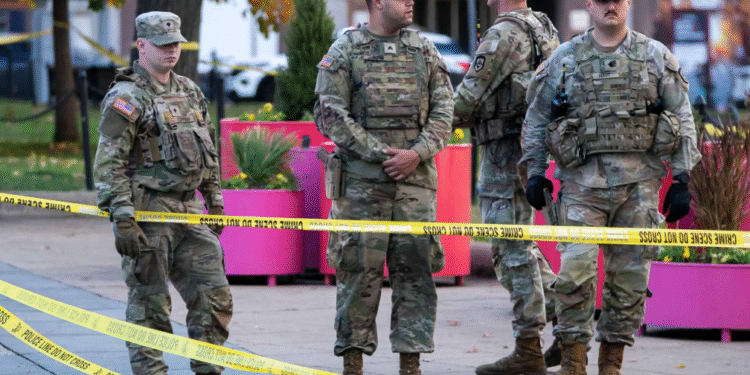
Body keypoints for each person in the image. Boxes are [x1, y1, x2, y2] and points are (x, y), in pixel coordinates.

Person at [519, 0, 701, 374]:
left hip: (639, 188)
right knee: (574, 276)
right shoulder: (565, 58)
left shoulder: (654, 56)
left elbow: (682, 115)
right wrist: (536, 171)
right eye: (602, 1)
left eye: (617, 0)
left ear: (628, 3)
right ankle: (572, 361)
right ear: (589, 4)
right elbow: (537, 117)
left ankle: (611, 365)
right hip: (581, 185)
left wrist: (682, 178)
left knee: (630, 284)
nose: (610, 7)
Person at [313, 0, 453, 373]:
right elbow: (330, 113)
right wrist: (378, 153)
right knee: (358, 274)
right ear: (376, 2)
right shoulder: (346, 50)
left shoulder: (424, 50)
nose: (410, 2)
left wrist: (417, 153)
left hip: (415, 184)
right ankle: (353, 364)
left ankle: (411, 365)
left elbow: (444, 111)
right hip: (360, 186)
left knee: (416, 276)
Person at [93, 11, 232, 375]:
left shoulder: (188, 90)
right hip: (148, 213)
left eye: (175, 44)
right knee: (150, 306)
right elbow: (109, 165)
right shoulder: (126, 97)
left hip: (189, 212)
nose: (172, 51)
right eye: (163, 45)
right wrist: (122, 217)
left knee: (214, 296)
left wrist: (214, 198)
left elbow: (208, 149)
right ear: (141, 46)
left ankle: (208, 368)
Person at [453, 1, 561, 374]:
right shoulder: (541, 25)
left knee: (510, 248)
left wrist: (425, 122)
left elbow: (466, 102)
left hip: (503, 155)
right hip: (530, 153)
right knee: (520, 244)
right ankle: (567, 313)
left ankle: (528, 348)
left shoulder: (502, 34)